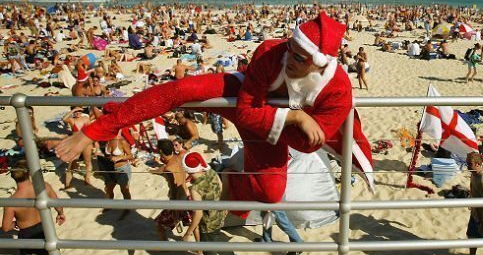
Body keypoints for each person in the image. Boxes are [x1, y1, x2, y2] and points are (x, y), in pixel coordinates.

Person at [55, 12, 374, 214]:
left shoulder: (338, 90)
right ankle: (97, 129)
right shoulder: (271, 52)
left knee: (271, 193)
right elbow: (246, 113)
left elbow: (306, 144)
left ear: (320, 63)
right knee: (180, 91)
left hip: (270, 128)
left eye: (300, 57)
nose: (289, 58)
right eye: (291, 47)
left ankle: (233, 181)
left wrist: (286, 119)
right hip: (246, 99)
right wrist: (296, 116)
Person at [2, 160, 65, 255]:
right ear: (29, 173)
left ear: (12, 176)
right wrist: (60, 214)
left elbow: (6, 228)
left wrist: (15, 223)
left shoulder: (11, 202)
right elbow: (57, 204)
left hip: (26, 233)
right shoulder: (44, 186)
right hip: (45, 227)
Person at [182, 152, 227, 255]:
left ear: (187, 170)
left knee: (210, 254)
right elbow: (221, 189)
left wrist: (188, 233)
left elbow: (198, 214)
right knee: (217, 241)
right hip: (220, 216)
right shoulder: (211, 172)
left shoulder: (195, 188)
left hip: (208, 225)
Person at [152, 140, 197, 242]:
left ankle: (165, 247)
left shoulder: (168, 168)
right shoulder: (178, 157)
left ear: (161, 151)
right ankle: (199, 247)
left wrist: (174, 208)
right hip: (187, 194)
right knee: (193, 224)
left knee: (160, 225)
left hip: (178, 200)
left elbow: (174, 189)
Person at [96, 131, 134, 217]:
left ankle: (127, 208)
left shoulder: (122, 141)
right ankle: (110, 205)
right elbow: (109, 156)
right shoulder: (107, 141)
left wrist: (119, 157)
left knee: (124, 190)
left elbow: (130, 156)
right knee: (108, 188)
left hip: (123, 169)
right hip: (111, 169)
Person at [62, 107, 94, 188]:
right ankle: (68, 184)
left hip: (86, 143)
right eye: (75, 111)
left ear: (81, 111)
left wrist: (94, 143)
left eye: (79, 111)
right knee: (71, 164)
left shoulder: (86, 119)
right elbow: (64, 119)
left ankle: (87, 180)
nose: (77, 113)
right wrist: (73, 110)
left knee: (88, 162)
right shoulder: (72, 120)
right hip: (76, 144)